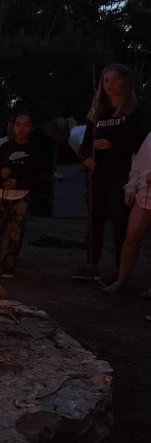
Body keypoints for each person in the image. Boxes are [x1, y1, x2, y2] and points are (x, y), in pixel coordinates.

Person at [74, 63, 144, 281]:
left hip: (120, 175)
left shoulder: (132, 112)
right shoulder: (97, 113)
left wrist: (114, 146)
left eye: (113, 80)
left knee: (119, 223)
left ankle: (119, 269)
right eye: (105, 80)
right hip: (97, 176)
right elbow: (85, 144)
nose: (108, 85)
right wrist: (86, 159)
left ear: (124, 81)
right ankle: (91, 264)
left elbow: (139, 144)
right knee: (94, 222)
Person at [0, 112, 48, 278]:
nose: (22, 129)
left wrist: (19, 181)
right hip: (1, 194)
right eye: (18, 125)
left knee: (15, 233)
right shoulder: (4, 148)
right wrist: (1, 176)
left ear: (32, 127)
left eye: (26, 125)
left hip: (21, 197)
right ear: (13, 127)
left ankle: (9, 265)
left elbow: (38, 174)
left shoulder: (34, 150)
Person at [103, 131, 151, 297]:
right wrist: (131, 185)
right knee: (132, 235)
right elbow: (139, 162)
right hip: (145, 194)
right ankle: (121, 280)